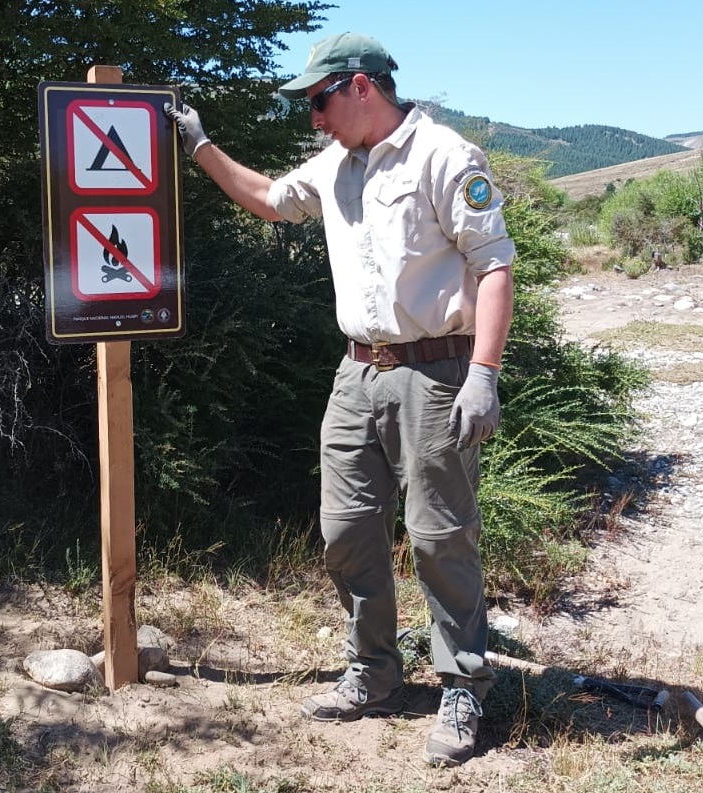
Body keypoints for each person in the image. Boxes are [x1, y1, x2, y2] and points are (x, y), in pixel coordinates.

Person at [165, 32, 515, 767]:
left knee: (439, 534)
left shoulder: (445, 157)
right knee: (345, 527)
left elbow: (492, 267)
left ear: (362, 87)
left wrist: (483, 371)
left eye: (320, 101)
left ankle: (463, 684)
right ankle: (375, 670)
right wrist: (199, 144)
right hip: (357, 373)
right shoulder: (335, 164)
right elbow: (268, 199)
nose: (313, 118)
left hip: (435, 370)